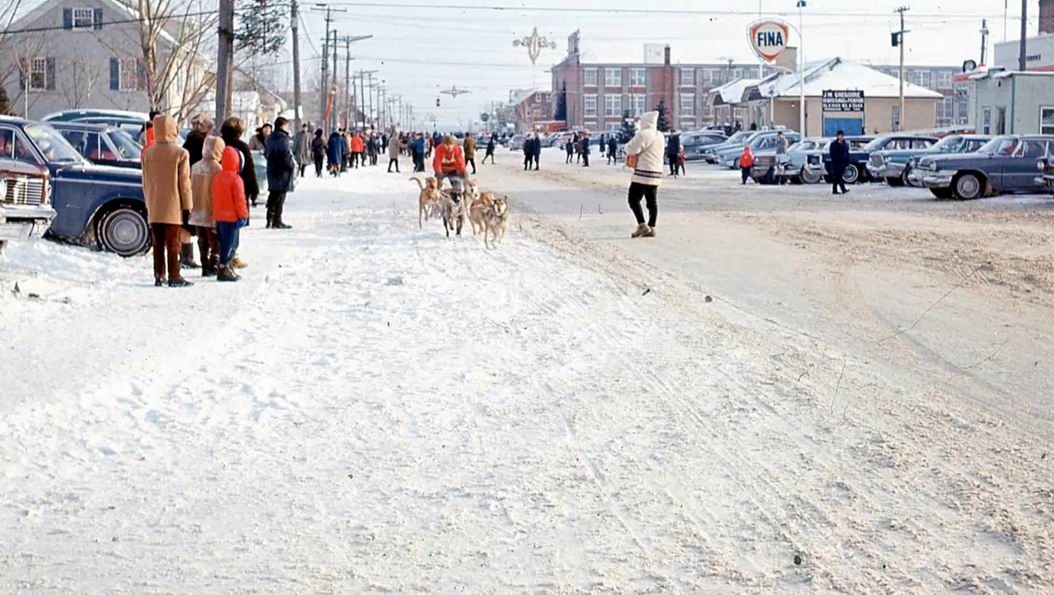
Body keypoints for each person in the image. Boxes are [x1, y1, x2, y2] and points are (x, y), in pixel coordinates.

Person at [141, 114, 194, 287]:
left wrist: (148, 200)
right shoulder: (180, 153)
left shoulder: (147, 153)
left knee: (157, 243)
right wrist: (188, 206)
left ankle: (159, 274)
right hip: (174, 204)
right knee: (173, 242)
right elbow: (184, 183)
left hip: (154, 204)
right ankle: (174, 275)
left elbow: (145, 180)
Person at [621, 111, 665, 239]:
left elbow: (631, 149)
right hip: (656, 173)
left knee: (633, 199)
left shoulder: (643, 134)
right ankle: (652, 227)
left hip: (643, 173)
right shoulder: (660, 136)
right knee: (652, 202)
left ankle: (642, 225)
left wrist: (626, 147)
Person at [212, 146, 250, 282]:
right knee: (231, 245)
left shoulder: (217, 177)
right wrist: (244, 216)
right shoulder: (236, 179)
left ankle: (223, 267)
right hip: (232, 218)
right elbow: (240, 200)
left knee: (223, 243)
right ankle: (224, 268)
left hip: (220, 217)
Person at [188, 136, 224, 277]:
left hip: (197, 208)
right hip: (211, 208)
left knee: (201, 238)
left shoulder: (196, 166)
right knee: (214, 240)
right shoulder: (217, 168)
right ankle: (213, 264)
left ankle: (204, 264)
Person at [219, 117, 260, 210]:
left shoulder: (219, 144)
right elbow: (249, 169)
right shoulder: (242, 146)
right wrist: (254, 189)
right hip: (240, 187)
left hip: (220, 186)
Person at [264, 117, 296, 229]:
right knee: (280, 196)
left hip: (272, 169)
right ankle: (277, 220)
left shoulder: (269, 138)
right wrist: (291, 166)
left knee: (273, 194)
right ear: (282, 126)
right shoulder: (283, 139)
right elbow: (286, 155)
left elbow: (266, 153)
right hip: (282, 171)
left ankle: (269, 217)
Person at [829, 130, 851, 195]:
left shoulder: (845, 144)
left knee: (838, 177)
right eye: (840, 136)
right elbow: (832, 153)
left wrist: (847, 161)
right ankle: (841, 189)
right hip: (836, 163)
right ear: (837, 136)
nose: (841, 137)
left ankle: (835, 190)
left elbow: (847, 153)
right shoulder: (833, 144)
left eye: (842, 136)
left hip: (842, 163)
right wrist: (836, 160)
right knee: (837, 176)